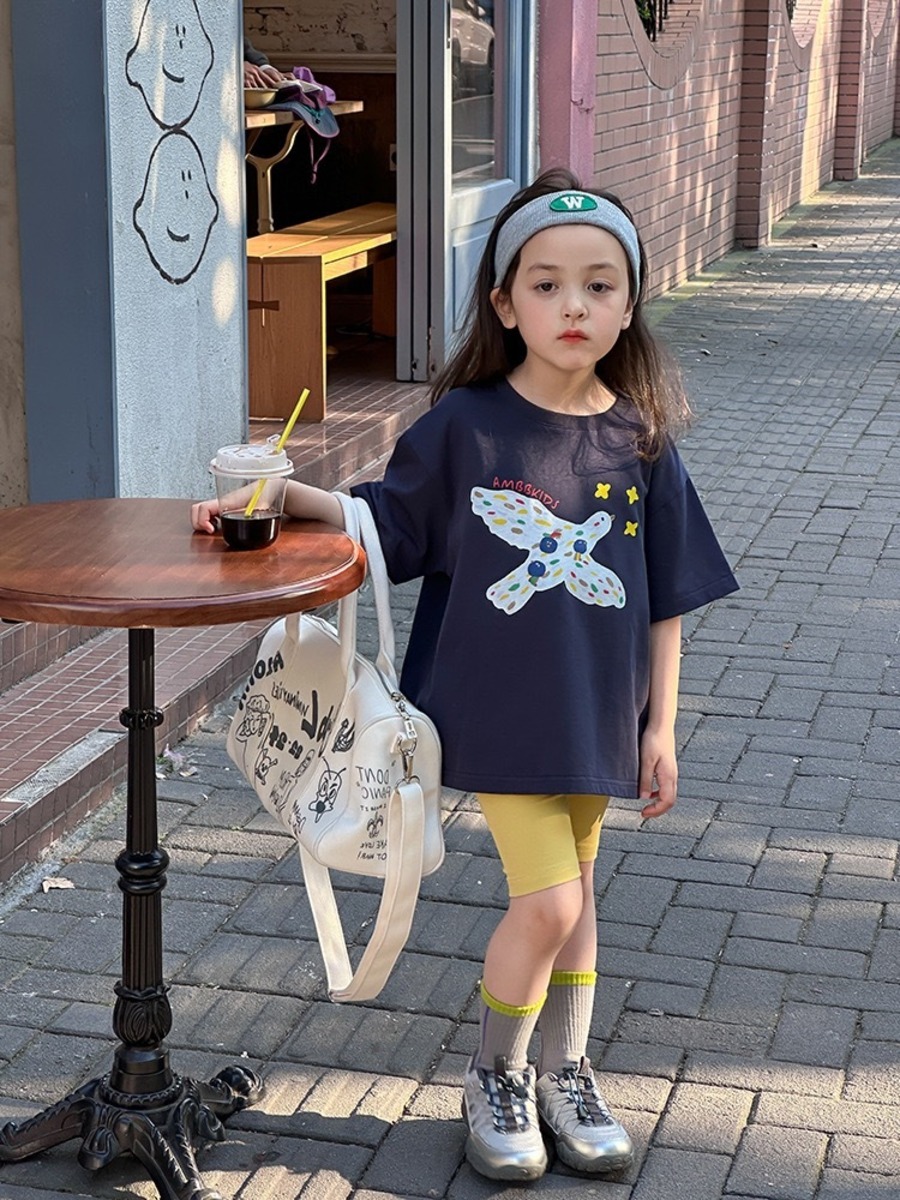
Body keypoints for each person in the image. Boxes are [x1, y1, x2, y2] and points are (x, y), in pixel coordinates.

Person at [192, 168, 739, 1182]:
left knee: (579, 895)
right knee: (551, 905)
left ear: (629, 303)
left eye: (599, 285)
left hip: (601, 715)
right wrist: (282, 496)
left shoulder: (642, 438)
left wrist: (661, 726)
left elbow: (669, 594)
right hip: (501, 716)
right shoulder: (466, 427)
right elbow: (385, 522)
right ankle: (496, 1073)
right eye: (546, 283)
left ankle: (566, 1072)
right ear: (504, 302)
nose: (574, 305)